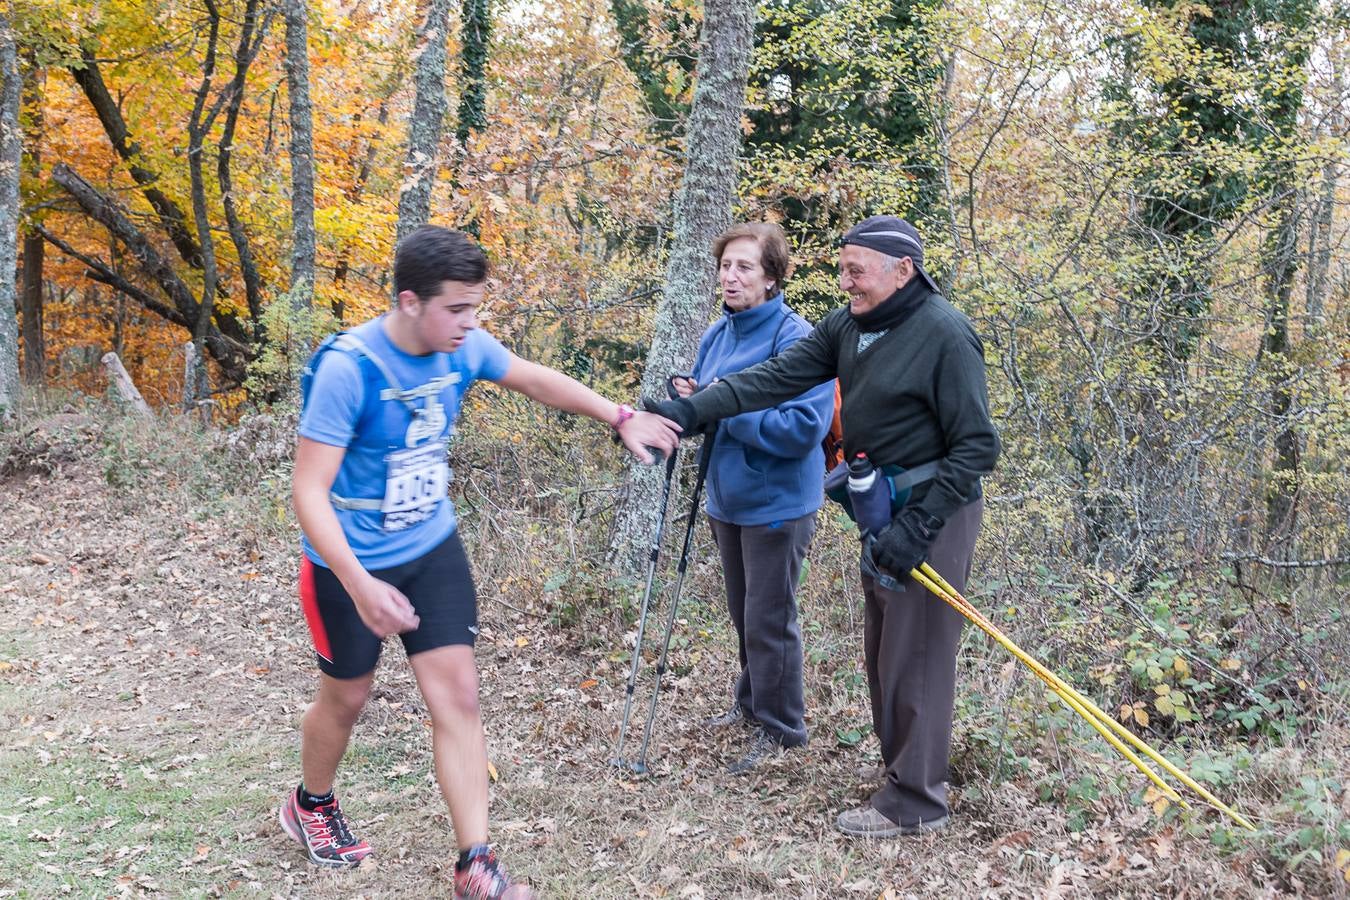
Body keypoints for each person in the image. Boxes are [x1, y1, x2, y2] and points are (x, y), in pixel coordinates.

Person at [281, 225, 678, 896]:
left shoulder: (460, 348)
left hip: (430, 550)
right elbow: (308, 490)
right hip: (346, 564)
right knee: (347, 697)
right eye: (457, 309)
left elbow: (533, 379)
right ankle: (310, 803)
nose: (471, 323)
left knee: (458, 697)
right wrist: (358, 584)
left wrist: (618, 415)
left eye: (476, 308)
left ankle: (476, 864)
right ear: (410, 302)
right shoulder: (352, 369)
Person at [650, 215, 999, 838]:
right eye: (843, 269)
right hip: (880, 507)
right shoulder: (850, 327)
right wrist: (691, 410)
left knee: (915, 653)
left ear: (903, 271)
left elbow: (976, 447)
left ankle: (916, 802)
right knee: (885, 651)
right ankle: (902, 776)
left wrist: (918, 527)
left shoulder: (945, 334)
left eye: (856, 271)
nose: (845, 283)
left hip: (932, 514)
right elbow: (770, 380)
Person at [672, 223, 834, 774]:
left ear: (771, 277)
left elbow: (801, 428)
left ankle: (783, 727)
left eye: (744, 267)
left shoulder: (797, 339)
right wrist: (689, 406)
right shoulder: (718, 334)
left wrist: (721, 408)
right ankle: (750, 704)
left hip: (778, 502)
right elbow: (707, 407)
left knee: (770, 617)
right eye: (725, 266)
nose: (731, 276)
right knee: (746, 613)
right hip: (727, 497)